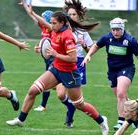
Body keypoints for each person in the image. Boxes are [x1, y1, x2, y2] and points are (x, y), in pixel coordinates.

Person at [6, 10, 109, 135]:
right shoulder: (55, 30)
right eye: (51, 23)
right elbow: (44, 24)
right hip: (56, 69)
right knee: (33, 91)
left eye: (54, 23)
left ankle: (102, 120)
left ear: (62, 23)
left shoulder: (68, 36)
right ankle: (20, 119)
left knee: (79, 104)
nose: (52, 25)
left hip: (70, 73)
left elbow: (73, 58)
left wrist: (55, 54)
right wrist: (31, 13)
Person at [81, 17, 138, 130]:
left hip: (127, 68)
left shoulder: (130, 40)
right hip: (112, 71)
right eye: (113, 30)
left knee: (121, 94)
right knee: (122, 96)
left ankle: (121, 121)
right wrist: (88, 55)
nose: (115, 32)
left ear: (122, 29)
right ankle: (137, 112)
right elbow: (96, 46)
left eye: (118, 30)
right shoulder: (107, 38)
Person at [32, 0, 98, 128]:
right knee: (61, 94)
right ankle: (70, 110)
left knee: (77, 99)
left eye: (74, 14)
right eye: (70, 15)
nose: (72, 17)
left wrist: (84, 45)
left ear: (78, 16)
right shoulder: (60, 31)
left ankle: (70, 118)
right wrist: (40, 48)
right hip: (62, 63)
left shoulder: (83, 32)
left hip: (78, 63)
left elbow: (90, 51)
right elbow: (50, 43)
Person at [22, 2, 54, 112]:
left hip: (54, 59)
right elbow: (33, 17)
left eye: (43, 18)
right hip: (47, 59)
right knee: (50, 84)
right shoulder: (44, 27)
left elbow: (51, 45)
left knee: (50, 84)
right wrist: (25, 5)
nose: (41, 20)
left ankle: (44, 105)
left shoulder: (52, 29)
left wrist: (41, 48)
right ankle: (43, 106)